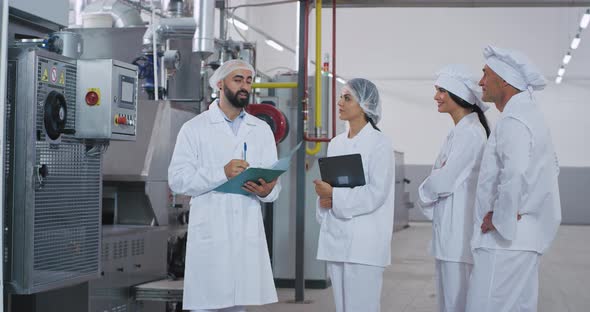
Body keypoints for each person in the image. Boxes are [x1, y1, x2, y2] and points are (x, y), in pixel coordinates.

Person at [168, 59, 281, 312]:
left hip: (244, 233)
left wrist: (268, 191)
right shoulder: (194, 129)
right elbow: (177, 179)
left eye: (249, 81)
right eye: (238, 80)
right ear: (220, 84)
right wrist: (221, 173)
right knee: (207, 304)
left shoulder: (260, 130)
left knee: (237, 305)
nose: (245, 86)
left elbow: (274, 182)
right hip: (211, 233)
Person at [465, 45, 562, 312]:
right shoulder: (530, 116)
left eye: (486, 74)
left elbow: (515, 173)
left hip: (505, 244)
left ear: (504, 79)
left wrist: (501, 217)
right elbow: (552, 168)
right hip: (521, 240)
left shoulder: (514, 120)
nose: (481, 82)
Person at [314, 78, 395, 312]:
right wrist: (324, 198)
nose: (339, 102)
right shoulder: (336, 143)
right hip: (336, 239)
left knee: (362, 307)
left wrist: (335, 196)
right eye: (341, 97)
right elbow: (332, 186)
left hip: (365, 242)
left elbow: (376, 194)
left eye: (347, 98)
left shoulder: (379, 143)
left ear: (365, 105)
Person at [418, 64, 490, 312]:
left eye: (441, 91)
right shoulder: (460, 132)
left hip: (458, 238)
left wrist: (427, 189)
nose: (436, 96)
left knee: (456, 304)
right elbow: (440, 179)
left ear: (458, 95)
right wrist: (434, 182)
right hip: (450, 236)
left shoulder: (470, 134)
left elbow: (443, 181)